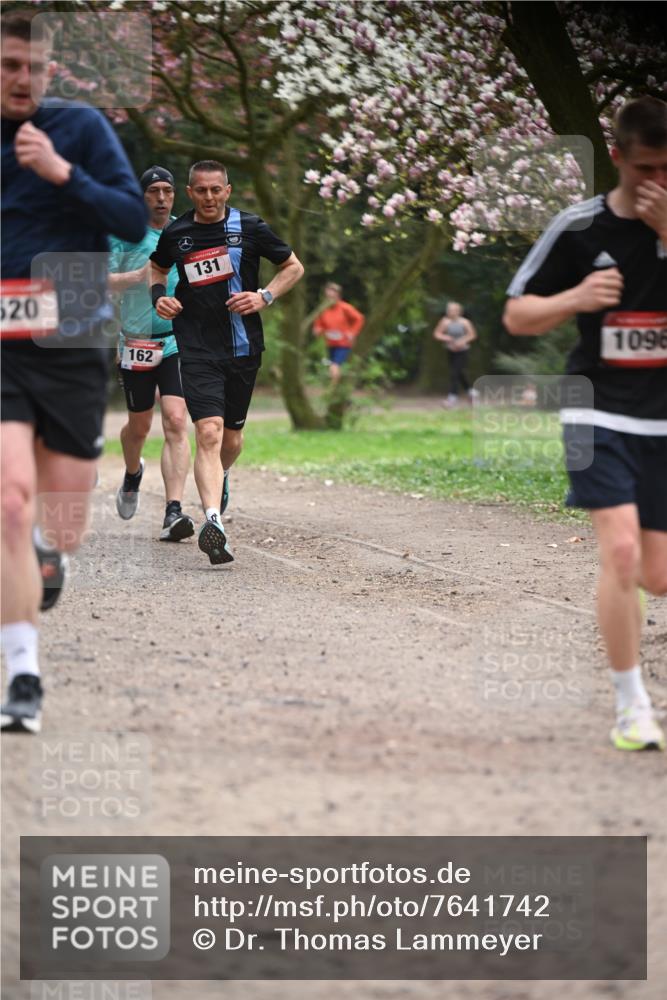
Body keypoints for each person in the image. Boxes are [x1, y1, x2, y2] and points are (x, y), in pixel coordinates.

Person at [504, 95, 667, 752]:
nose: (656, 184)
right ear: (618, 158)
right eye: (645, 169)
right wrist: (574, 297)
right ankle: (630, 705)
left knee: (655, 575)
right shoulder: (579, 227)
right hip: (593, 406)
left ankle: (633, 595)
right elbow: (516, 316)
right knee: (620, 552)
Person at [1, 12, 146, 732]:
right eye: (8, 65)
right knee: (7, 500)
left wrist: (61, 173)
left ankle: (48, 552)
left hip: (74, 332)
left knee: (62, 513)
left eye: (33, 66)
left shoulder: (81, 128)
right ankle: (22, 676)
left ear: (50, 71)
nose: (22, 78)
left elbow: (128, 220)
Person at [148, 160, 304, 565]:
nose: (209, 197)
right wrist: (158, 298)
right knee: (210, 433)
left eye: (216, 190)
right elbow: (157, 268)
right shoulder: (178, 233)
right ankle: (213, 520)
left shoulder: (250, 227)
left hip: (242, 347)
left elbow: (293, 267)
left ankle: (221, 477)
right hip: (196, 346)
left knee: (230, 440)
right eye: (201, 190)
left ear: (228, 190)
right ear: (190, 192)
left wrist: (264, 296)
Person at [109, 166, 194, 542]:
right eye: (153, 191)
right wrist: (138, 276)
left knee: (176, 421)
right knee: (139, 426)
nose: (161, 198)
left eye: (167, 191)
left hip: (176, 339)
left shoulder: (185, 232)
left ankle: (173, 511)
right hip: (136, 341)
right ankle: (132, 474)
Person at [312, 282, 364, 384]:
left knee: (334, 366)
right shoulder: (323, 309)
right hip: (330, 343)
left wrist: (352, 333)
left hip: (343, 344)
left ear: (338, 296)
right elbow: (319, 323)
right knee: (334, 367)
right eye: (328, 296)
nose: (330, 299)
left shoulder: (345, 308)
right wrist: (317, 329)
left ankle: (331, 390)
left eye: (332, 296)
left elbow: (359, 318)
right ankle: (337, 389)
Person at [432, 301, 477, 407]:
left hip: (462, 351)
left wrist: (462, 341)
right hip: (451, 350)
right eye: (449, 310)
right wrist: (446, 338)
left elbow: (472, 335)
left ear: (458, 311)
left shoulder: (465, 322)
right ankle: (471, 392)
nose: (450, 312)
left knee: (455, 373)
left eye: (453, 310)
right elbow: (437, 334)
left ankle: (452, 398)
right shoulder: (444, 322)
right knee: (459, 373)